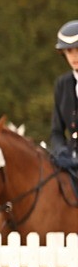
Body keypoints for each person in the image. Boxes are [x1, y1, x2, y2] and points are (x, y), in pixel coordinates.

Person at [50, 19, 78, 170]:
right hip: (71, 159)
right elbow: (56, 131)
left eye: (77, 49)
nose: (74, 56)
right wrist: (60, 150)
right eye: (69, 51)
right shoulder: (62, 84)